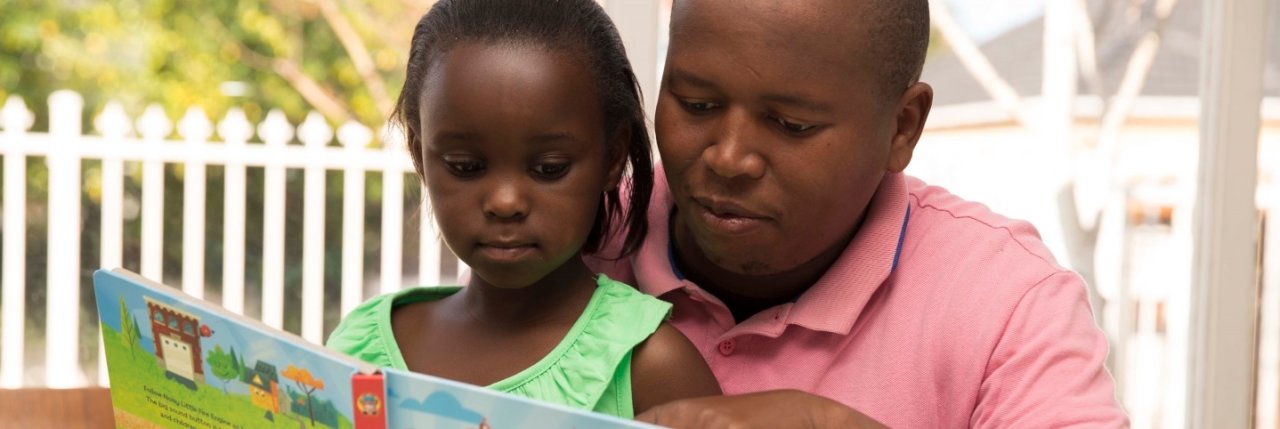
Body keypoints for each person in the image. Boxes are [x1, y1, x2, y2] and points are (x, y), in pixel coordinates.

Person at [588, 0, 1129, 427]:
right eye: (697, 104)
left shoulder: (1006, 303)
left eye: (790, 125)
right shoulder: (575, 232)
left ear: (903, 127)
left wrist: (822, 425)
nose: (729, 158)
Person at [326, 0, 721, 418]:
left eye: (549, 168)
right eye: (466, 167)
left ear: (612, 158)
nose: (505, 202)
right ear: (419, 154)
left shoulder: (648, 365)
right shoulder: (361, 347)